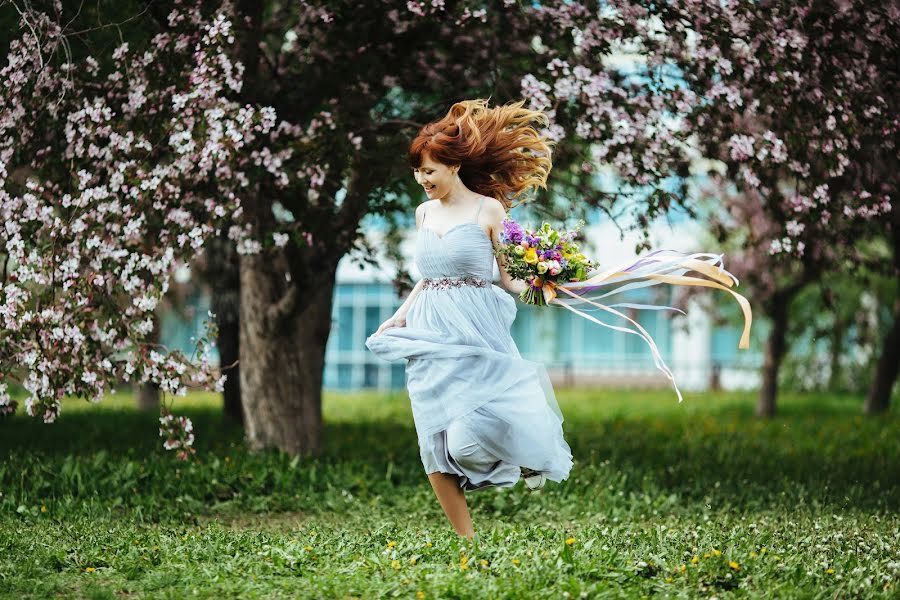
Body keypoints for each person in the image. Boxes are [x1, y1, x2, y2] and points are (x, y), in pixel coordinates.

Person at [365, 98, 573, 540]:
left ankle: (520, 454)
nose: (422, 180)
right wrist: (397, 319)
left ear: (453, 166)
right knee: (433, 443)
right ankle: (468, 544)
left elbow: (508, 280)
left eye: (429, 171)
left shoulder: (488, 211)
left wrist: (547, 280)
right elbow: (428, 277)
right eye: (418, 172)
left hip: (476, 331)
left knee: (465, 439)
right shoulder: (423, 213)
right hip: (429, 332)